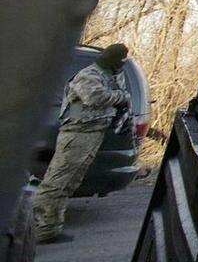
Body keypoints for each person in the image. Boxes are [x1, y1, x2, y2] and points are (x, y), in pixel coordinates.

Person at [32, 43, 130, 243]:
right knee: (56, 182)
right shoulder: (89, 74)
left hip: (92, 134)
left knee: (69, 183)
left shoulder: (108, 75)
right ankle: (36, 229)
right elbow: (94, 98)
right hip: (76, 134)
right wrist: (121, 97)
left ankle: (50, 229)